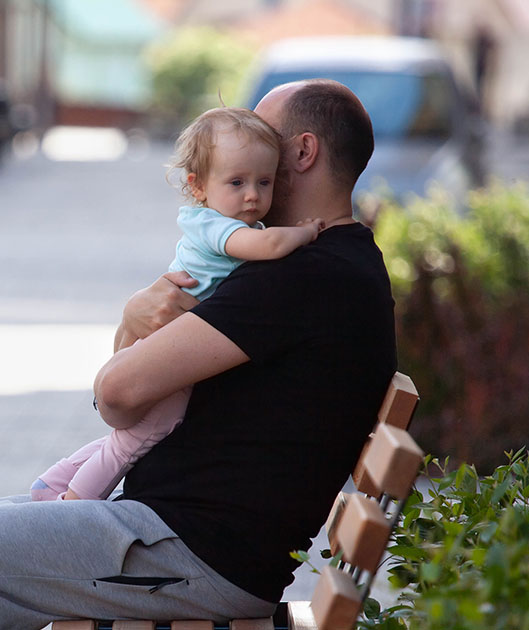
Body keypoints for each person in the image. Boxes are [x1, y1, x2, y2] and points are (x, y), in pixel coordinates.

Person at [0, 79, 397, 629]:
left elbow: (117, 395)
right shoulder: (336, 265)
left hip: (189, 554)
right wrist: (133, 322)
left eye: (263, 134)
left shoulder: (302, 277)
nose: (250, 148)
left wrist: (131, 320)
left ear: (304, 151)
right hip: (180, 539)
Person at [31, 107, 324, 502]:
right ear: (198, 186)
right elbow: (269, 245)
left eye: (264, 181)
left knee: (135, 435)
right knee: (150, 431)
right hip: (171, 341)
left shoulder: (235, 223)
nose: (253, 195)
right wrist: (305, 232)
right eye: (237, 182)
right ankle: (73, 502)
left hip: (173, 338)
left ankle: (55, 481)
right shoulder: (215, 225)